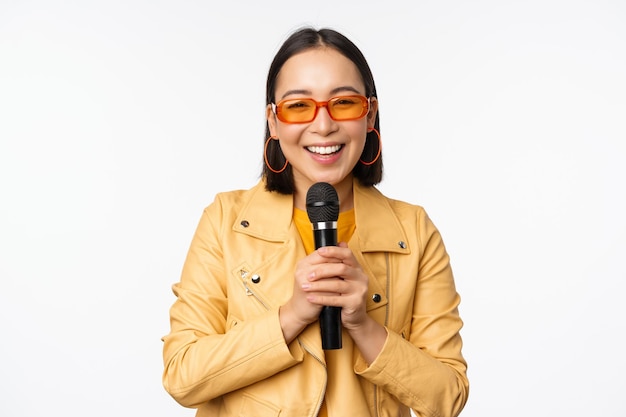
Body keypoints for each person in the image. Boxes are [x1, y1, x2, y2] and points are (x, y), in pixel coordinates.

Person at [162, 26, 469, 417]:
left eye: (343, 103)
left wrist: (363, 325)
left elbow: (448, 397)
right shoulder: (225, 220)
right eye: (298, 106)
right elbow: (182, 376)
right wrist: (292, 316)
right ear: (273, 122)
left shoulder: (414, 231)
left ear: (370, 114)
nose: (323, 125)